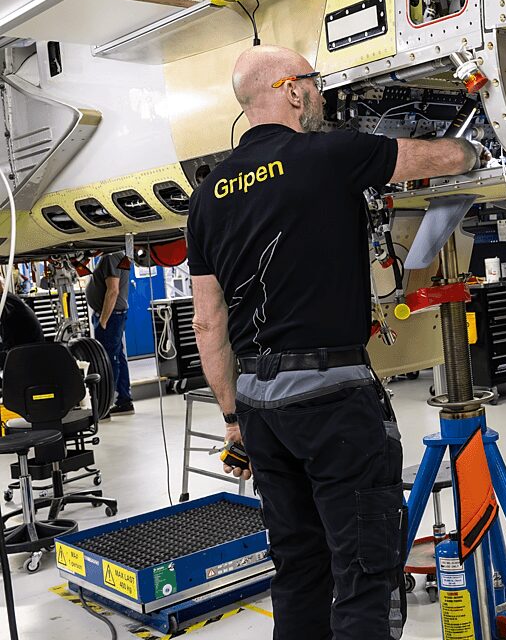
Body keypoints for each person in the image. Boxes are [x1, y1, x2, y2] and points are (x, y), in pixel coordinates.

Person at [187, 45, 484, 640]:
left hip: (259, 407)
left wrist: (232, 418)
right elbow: (442, 156)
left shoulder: (208, 195)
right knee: (363, 572)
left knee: (298, 570)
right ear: (291, 90)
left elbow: (207, 324)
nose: (320, 94)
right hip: (332, 401)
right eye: (314, 83)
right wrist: (482, 139)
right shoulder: (330, 152)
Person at [85, 251, 133, 413]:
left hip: (110, 316)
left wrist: (103, 320)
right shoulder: (120, 256)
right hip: (114, 315)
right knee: (117, 356)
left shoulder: (110, 257)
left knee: (108, 360)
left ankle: (105, 404)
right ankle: (124, 400)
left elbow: (113, 290)